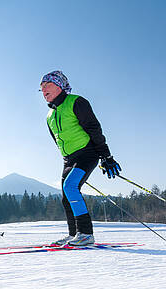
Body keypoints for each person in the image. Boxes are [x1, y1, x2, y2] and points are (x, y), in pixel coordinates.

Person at [40, 70, 121, 246]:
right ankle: (74, 234)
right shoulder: (49, 116)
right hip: (69, 159)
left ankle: (86, 234)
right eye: (41, 87)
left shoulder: (76, 102)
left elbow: (94, 128)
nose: (43, 89)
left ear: (60, 86)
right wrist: (67, 159)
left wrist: (105, 156)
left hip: (87, 153)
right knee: (66, 195)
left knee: (70, 187)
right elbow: (57, 141)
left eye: (47, 85)